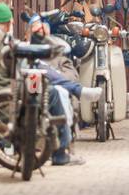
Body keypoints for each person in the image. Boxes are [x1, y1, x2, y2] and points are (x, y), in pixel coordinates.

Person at [24, 11, 101, 167]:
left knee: (60, 92)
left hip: (49, 90)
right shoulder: (24, 49)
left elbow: (70, 73)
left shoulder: (58, 52)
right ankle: (78, 90)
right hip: (32, 89)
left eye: (42, 30)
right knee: (47, 78)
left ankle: (62, 150)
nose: (40, 33)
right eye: (36, 30)